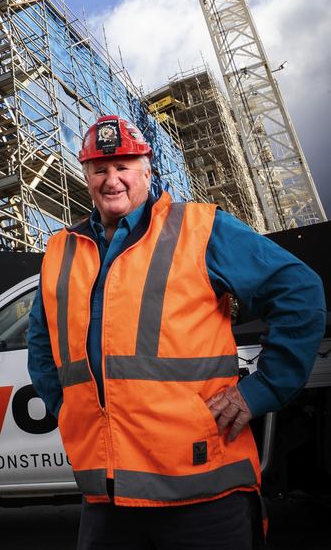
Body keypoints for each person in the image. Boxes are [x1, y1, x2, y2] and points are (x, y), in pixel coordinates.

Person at [27, 115, 326, 550]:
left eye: (124, 165)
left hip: (204, 496)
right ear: (86, 176)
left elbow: (299, 290)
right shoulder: (61, 250)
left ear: (147, 168)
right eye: (100, 168)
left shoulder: (199, 228)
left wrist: (259, 391)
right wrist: (74, 410)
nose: (113, 179)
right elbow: (42, 344)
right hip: (107, 503)